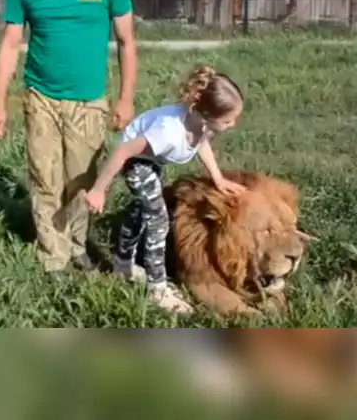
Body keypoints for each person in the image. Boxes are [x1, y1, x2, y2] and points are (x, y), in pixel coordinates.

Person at [0, 0, 137, 275]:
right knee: (45, 178)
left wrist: (125, 98)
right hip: (41, 97)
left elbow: (127, 42)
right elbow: (10, 45)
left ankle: (76, 244)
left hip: (88, 102)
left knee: (81, 180)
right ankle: (53, 258)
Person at [83, 65, 247, 313]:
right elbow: (124, 152)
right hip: (136, 162)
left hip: (151, 161)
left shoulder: (199, 124)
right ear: (205, 114)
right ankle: (157, 289)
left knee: (142, 210)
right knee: (158, 220)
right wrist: (98, 189)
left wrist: (219, 179)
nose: (233, 124)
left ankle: (122, 265)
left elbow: (201, 143)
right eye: (228, 120)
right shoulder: (168, 133)